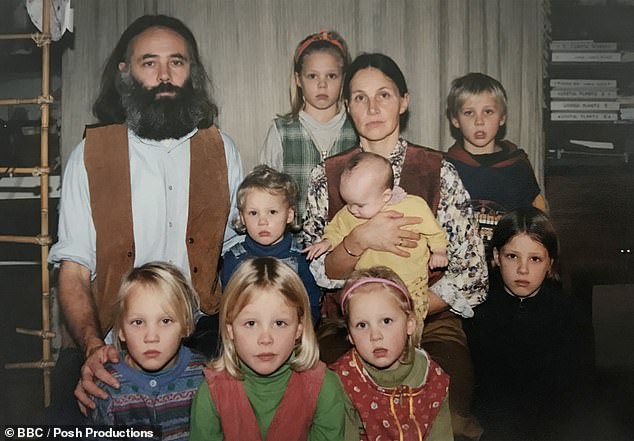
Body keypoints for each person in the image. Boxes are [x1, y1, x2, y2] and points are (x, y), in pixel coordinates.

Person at [47, 14, 243, 420]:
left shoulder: (221, 150)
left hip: (203, 338)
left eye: (177, 61)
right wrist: (91, 346)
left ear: (192, 73)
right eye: (149, 62)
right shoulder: (89, 156)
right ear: (125, 73)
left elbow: (239, 256)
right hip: (112, 338)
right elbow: (73, 270)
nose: (165, 75)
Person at [303, 52, 487, 440]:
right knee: (334, 407)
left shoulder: (438, 170)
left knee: (448, 414)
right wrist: (359, 240)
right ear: (347, 106)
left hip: (430, 321)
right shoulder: (328, 174)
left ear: (404, 101)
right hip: (348, 325)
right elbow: (318, 271)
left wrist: (408, 313)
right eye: (359, 97)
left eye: (383, 95)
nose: (372, 107)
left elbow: (472, 273)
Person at [190, 256, 350, 441]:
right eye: (251, 323)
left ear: (299, 328)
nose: (266, 339)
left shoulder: (324, 387)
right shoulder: (212, 391)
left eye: (280, 323)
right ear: (230, 329)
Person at [305, 151, 448, 335]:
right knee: (369, 333)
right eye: (348, 203)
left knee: (409, 331)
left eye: (360, 205)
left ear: (386, 196)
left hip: (411, 286)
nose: (352, 210)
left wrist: (439, 251)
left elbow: (433, 230)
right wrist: (327, 242)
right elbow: (336, 229)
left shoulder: (413, 206)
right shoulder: (350, 212)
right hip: (368, 287)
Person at [465, 208, 578, 439]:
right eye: (512, 256)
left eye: (535, 259)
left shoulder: (570, 315)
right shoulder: (474, 314)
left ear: (550, 263)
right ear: (496, 257)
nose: (523, 269)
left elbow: (578, 396)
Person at [331, 266, 453, 441]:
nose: (375, 336)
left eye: (386, 321)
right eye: (362, 325)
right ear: (350, 336)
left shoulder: (433, 378)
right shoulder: (343, 379)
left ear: (410, 324)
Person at [91, 262, 206, 440]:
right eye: (138, 322)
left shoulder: (204, 375)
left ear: (186, 326)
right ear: (121, 330)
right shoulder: (108, 386)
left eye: (165, 321)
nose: (151, 337)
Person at [260, 30, 357, 223]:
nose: (322, 85)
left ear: (344, 79)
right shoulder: (282, 131)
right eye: (312, 76)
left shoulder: (357, 130)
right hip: (295, 244)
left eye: (331, 76)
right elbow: (264, 193)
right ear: (298, 79)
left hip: (346, 242)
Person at [444, 72, 545, 250]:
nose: (479, 121)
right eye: (469, 113)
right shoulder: (445, 167)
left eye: (488, 112)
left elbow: (536, 221)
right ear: (455, 119)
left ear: (502, 117)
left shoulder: (518, 166)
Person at [221, 165, 321, 326]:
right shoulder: (233, 260)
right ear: (242, 217)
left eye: (272, 212)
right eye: (253, 213)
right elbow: (229, 311)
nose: (262, 221)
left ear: (289, 215)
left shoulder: (301, 257)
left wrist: (302, 332)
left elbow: (311, 306)